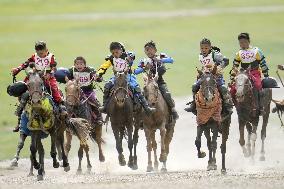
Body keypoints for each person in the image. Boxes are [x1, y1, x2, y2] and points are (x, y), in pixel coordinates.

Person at [10, 41, 67, 131]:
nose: (40, 55)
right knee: (24, 89)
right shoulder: (34, 56)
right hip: (35, 77)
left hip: (47, 77)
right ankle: (20, 114)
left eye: (42, 53)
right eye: (38, 53)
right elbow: (25, 64)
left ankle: (61, 106)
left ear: (46, 50)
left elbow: (53, 67)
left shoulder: (50, 57)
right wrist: (17, 69)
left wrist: (49, 73)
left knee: (53, 89)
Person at [96, 42, 155, 115]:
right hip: (116, 76)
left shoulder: (128, 56)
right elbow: (104, 66)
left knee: (136, 88)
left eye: (116, 52)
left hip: (128, 76)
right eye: (113, 53)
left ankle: (146, 108)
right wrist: (98, 74)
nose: (115, 54)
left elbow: (132, 57)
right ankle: (104, 106)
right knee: (107, 86)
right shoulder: (111, 58)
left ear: (121, 50)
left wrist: (129, 59)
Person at [185, 38, 233, 115]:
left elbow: (226, 61)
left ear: (210, 48)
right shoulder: (200, 56)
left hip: (216, 76)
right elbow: (204, 66)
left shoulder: (215, 55)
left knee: (223, 88)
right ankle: (193, 104)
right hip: (205, 76)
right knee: (194, 86)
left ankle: (227, 105)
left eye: (206, 48)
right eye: (202, 48)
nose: (203, 50)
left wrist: (218, 68)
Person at [134, 40, 179, 120]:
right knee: (140, 97)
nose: (149, 51)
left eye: (151, 49)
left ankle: (172, 110)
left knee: (166, 94)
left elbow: (171, 60)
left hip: (160, 82)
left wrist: (160, 60)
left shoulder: (160, 56)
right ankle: (140, 117)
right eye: (147, 50)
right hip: (148, 84)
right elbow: (136, 72)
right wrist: (144, 68)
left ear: (155, 50)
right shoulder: (143, 61)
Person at [229, 33, 269, 115]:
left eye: (244, 42)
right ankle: (234, 106)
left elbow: (263, 63)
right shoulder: (239, 54)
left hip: (255, 73)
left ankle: (261, 107)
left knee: (258, 85)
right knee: (232, 89)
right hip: (242, 74)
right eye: (240, 43)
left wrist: (266, 75)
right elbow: (235, 67)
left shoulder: (256, 51)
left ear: (249, 41)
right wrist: (232, 78)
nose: (242, 44)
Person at [67, 56, 103, 124]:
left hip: (88, 92)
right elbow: (66, 77)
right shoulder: (72, 70)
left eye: (81, 64)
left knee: (94, 101)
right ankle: (67, 117)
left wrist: (97, 78)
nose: (79, 65)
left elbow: (97, 77)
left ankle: (98, 117)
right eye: (77, 64)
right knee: (69, 102)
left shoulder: (90, 70)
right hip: (76, 93)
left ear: (85, 65)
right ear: (74, 65)